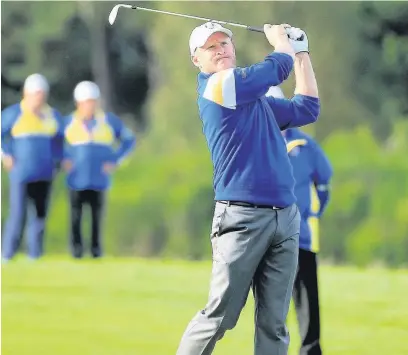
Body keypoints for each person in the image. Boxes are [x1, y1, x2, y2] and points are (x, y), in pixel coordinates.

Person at [176, 22, 320, 355]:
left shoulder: (257, 100)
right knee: (220, 316)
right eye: (210, 47)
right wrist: (282, 44)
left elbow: (308, 108)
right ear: (196, 60)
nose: (220, 49)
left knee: (275, 325)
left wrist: (302, 54)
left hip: (284, 217)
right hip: (241, 219)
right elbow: (273, 68)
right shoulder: (216, 87)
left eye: (224, 42)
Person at [267, 86, 333, 355]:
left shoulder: (306, 145)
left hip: (301, 235)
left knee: (307, 299)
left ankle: (310, 350)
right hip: (267, 236)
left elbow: (324, 183)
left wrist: (313, 213)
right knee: (272, 302)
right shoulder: (256, 144)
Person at [62, 81, 136, 258]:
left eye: (93, 101)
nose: (90, 105)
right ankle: (76, 250)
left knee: (96, 217)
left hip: (99, 179)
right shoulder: (68, 122)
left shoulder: (108, 121)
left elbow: (128, 140)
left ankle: (96, 251)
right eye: (87, 102)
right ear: (78, 103)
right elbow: (55, 145)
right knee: (75, 216)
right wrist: (63, 160)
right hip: (76, 179)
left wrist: (115, 161)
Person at [1, 73, 64, 261]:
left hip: (44, 173)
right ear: (26, 94)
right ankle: (7, 254)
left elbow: (59, 142)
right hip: (21, 174)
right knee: (18, 214)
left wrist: (58, 162)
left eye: (42, 94)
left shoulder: (52, 116)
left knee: (39, 216)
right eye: (36, 94)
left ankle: (35, 255)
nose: (39, 98)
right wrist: (5, 155)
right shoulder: (14, 114)